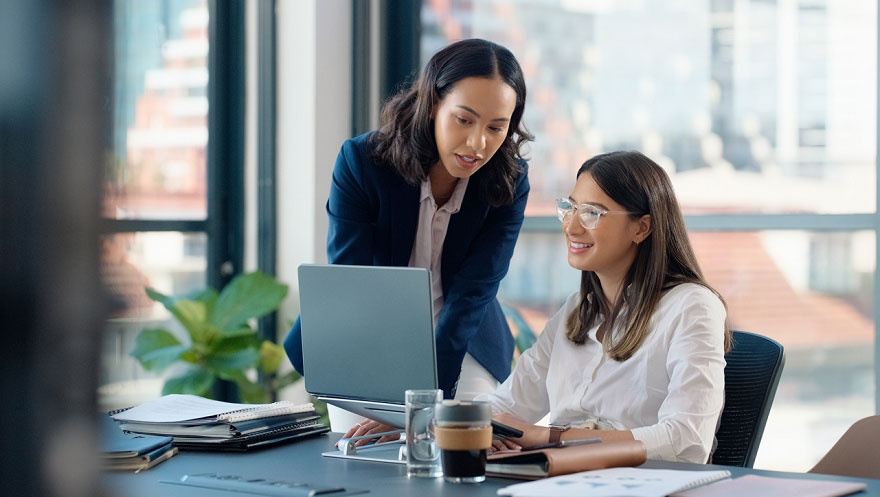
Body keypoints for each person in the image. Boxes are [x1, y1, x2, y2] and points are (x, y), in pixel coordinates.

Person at [283, 38, 533, 439]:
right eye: (463, 120)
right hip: (365, 333)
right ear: (433, 104)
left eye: (495, 127)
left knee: (463, 450)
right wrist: (393, 404)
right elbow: (360, 281)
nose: (477, 144)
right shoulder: (363, 162)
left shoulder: (508, 181)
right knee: (365, 455)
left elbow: (474, 291)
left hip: (459, 341)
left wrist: (427, 403)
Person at [477, 151, 731, 463]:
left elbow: (687, 440)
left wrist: (548, 437)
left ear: (642, 228)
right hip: (564, 479)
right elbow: (505, 407)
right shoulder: (575, 312)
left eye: (592, 214)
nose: (571, 227)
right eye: (569, 208)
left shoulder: (691, 307)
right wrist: (471, 425)